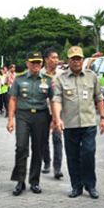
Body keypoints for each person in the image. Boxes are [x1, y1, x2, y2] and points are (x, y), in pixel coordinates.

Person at [52, 46, 104, 199]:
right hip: (70, 124)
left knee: (88, 153)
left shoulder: (92, 76)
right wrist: (57, 119)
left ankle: (90, 185)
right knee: (72, 156)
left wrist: (102, 118)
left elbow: (99, 98)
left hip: (89, 123)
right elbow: (56, 100)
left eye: (79, 58)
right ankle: (76, 186)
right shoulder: (61, 78)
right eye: (73, 59)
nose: (76, 62)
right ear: (68, 61)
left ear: (83, 60)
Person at [7, 52, 53, 196]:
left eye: (38, 63)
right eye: (33, 62)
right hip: (23, 115)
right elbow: (13, 99)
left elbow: (53, 100)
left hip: (41, 116)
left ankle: (35, 181)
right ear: (27, 63)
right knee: (21, 147)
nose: (36, 65)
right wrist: (10, 119)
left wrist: (56, 120)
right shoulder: (19, 79)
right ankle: (20, 181)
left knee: (38, 149)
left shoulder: (48, 80)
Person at [41, 48, 64, 179]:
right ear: (46, 59)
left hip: (57, 112)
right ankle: (47, 162)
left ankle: (57, 168)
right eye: (53, 57)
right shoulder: (40, 74)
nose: (56, 60)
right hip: (43, 111)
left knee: (57, 138)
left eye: (57, 57)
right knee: (43, 139)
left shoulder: (62, 74)